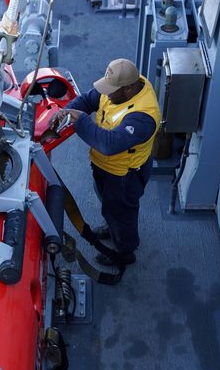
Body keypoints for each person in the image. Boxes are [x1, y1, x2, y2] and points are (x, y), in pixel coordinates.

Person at [51, 58, 160, 268]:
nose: (106, 94)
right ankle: (112, 228)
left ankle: (125, 251)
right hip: (105, 168)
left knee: (122, 213)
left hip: (124, 177)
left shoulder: (143, 117)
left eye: (110, 90)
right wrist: (66, 112)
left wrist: (80, 120)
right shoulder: (120, 86)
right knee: (109, 204)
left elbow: (109, 144)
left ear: (128, 89)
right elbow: (88, 100)